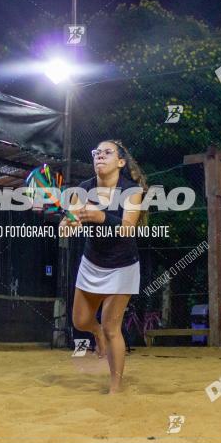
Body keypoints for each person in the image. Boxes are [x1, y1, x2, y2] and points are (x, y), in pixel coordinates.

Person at [62, 140, 147, 394]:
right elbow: (69, 221)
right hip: (91, 263)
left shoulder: (132, 191)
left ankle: (115, 387)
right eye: (96, 152)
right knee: (80, 321)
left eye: (107, 152)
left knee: (113, 328)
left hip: (122, 266)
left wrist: (101, 217)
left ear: (120, 162)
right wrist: (68, 224)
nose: (100, 156)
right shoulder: (82, 189)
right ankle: (95, 331)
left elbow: (127, 228)